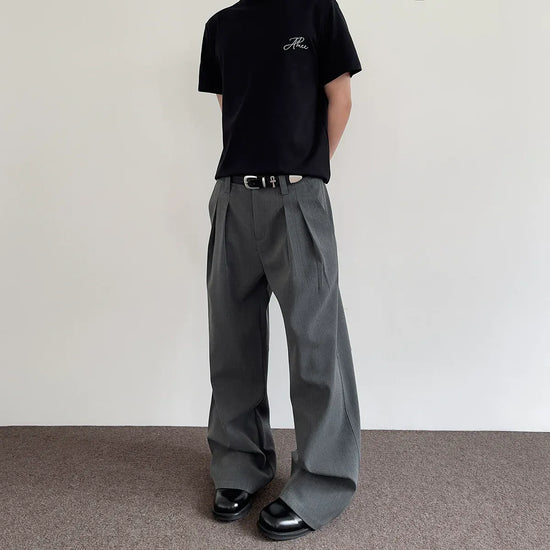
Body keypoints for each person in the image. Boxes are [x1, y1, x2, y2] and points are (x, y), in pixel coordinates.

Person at [198, 0, 363, 541]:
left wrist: (307, 173)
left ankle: (324, 481)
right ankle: (239, 465)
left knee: (316, 342)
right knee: (232, 340)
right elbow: (231, 108)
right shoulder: (220, 27)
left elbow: (341, 99)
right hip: (232, 197)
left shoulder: (316, 11)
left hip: (297, 198)